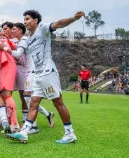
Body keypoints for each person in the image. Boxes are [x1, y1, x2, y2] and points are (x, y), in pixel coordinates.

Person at [6, 10, 85, 144]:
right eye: (24, 19)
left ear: (36, 20)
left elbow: (59, 24)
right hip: (37, 75)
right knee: (33, 103)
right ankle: (24, 132)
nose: (25, 22)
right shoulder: (28, 38)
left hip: (48, 73)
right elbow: (18, 53)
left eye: (27, 19)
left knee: (58, 103)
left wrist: (73, 18)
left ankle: (70, 133)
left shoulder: (43, 29)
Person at [0, 22, 54, 134]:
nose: (11, 31)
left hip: (25, 71)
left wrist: (6, 50)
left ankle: (29, 121)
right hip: (16, 70)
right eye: (10, 29)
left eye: (14, 29)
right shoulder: (18, 41)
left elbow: (20, 58)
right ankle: (20, 121)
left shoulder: (23, 40)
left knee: (26, 97)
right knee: (22, 97)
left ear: (20, 31)